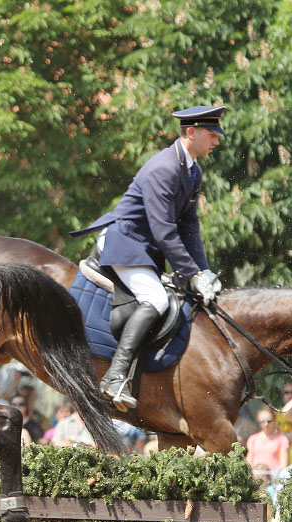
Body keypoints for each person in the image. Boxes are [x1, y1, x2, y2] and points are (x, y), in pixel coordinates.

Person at [71, 106, 226, 409]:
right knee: (156, 300)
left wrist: (203, 273)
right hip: (124, 244)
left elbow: (190, 228)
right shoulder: (164, 168)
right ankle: (115, 376)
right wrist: (192, 273)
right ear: (191, 132)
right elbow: (165, 230)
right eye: (212, 134)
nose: (216, 141)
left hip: (144, 249)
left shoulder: (193, 170)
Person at [246, 407, 289, 472]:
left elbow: (284, 465)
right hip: (256, 476)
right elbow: (249, 462)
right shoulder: (253, 439)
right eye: (262, 422)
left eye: (269, 421)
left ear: (275, 420)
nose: (266, 424)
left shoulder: (282, 439)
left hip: (274, 477)